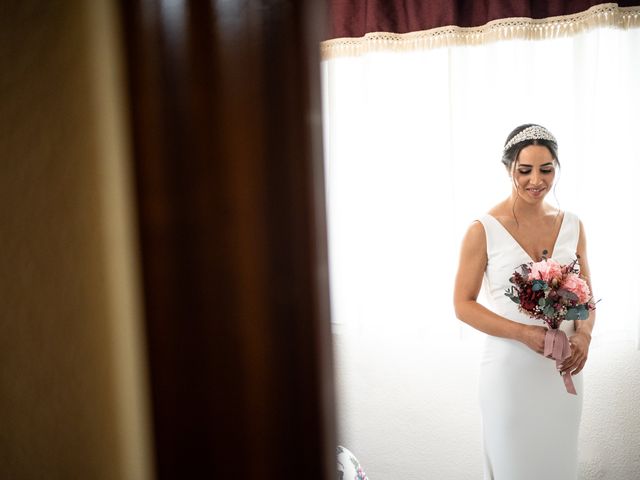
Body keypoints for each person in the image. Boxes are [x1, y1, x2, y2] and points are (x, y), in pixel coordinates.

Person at [453, 124, 596, 479]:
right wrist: (523, 334)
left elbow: (585, 296)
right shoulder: (482, 229)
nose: (537, 180)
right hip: (509, 374)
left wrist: (584, 335)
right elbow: (463, 304)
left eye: (546, 169)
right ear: (508, 169)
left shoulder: (573, 224)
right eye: (525, 170)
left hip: (563, 371)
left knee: (559, 464)